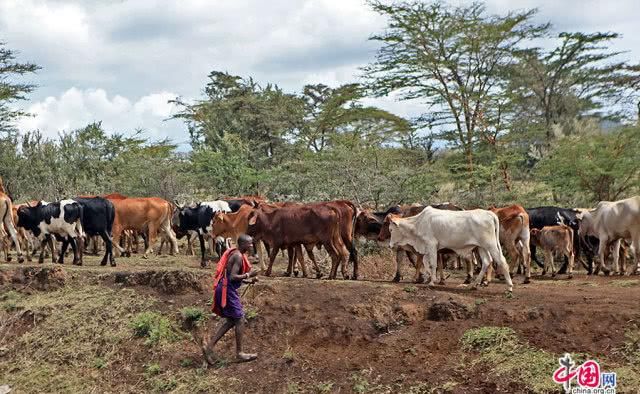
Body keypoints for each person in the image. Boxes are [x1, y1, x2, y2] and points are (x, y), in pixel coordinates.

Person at [201, 234, 259, 364]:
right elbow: (233, 277)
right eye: (249, 244)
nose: (251, 246)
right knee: (239, 319)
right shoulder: (238, 256)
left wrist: (249, 281)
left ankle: (209, 346)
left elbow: (231, 276)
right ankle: (239, 353)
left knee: (231, 321)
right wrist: (249, 274)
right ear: (242, 244)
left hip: (226, 288)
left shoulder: (238, 254)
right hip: (227, 291)